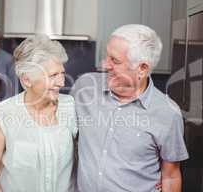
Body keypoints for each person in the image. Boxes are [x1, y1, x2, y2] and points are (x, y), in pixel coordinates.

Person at [70, 24, 189, 192]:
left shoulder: (168, 113)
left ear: (142, 68)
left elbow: (171, 175)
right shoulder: (85, 88)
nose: (105, 64)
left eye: (115, 60)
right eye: (107, 56)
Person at [0, 35, 77, 192]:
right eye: (53, 75)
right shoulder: (5, 113)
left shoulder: (71, 107)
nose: (62, 82)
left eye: (62, 73)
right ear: (27, 80)